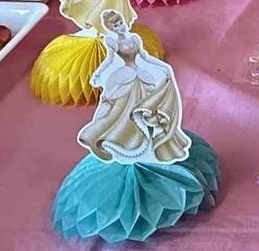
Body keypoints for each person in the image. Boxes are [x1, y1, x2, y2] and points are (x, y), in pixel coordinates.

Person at [76, 11, 191, 165]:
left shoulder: (135, 38)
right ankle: (106, 137)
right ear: (111, 28)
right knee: (120, 111)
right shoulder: (112, 41)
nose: (120, 27)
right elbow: (109, 60)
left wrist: (164, 68)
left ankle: (151, 143)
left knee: (150, 105)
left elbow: (144, 56)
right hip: (126, 76)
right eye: (115, 25)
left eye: (120, 23)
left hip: (140, 74)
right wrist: (98, 74)